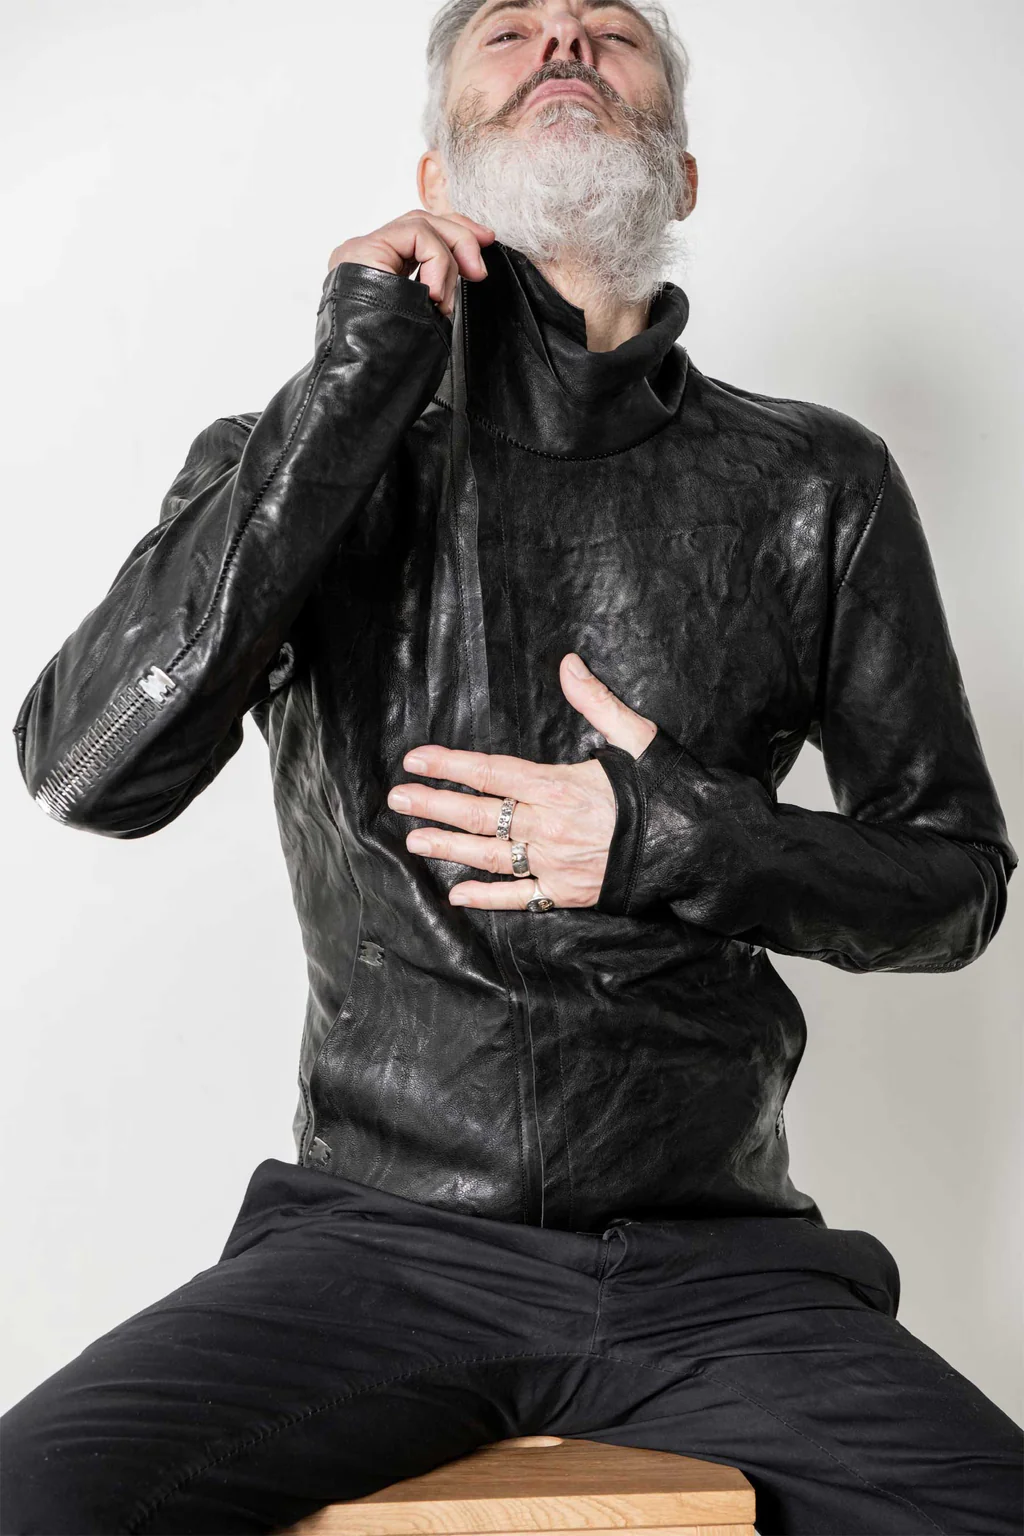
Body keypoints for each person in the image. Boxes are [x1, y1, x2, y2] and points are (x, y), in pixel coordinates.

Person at [3, 1, 1021, 1531]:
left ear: (682, 173)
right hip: (379, 1248)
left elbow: (952, 886)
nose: (565, 44)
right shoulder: (302, 457)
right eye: (514, 30)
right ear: (437, 178)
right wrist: (350, 385)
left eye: (610, 32)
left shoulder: (820, 483)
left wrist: (674, 836)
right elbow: (89, 766)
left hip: (722, 1266)